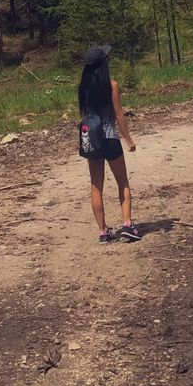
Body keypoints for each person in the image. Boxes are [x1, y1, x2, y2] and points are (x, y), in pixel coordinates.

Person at [77, 43, 140, 243]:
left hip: (92, 141)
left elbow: (83, 116)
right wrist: (128, 139)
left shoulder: (82, 88)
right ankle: (127, 224)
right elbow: (119, 115)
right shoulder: (111, 85)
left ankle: (103, 231)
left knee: (96, 187)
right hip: (110, 138)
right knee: (122, 181)